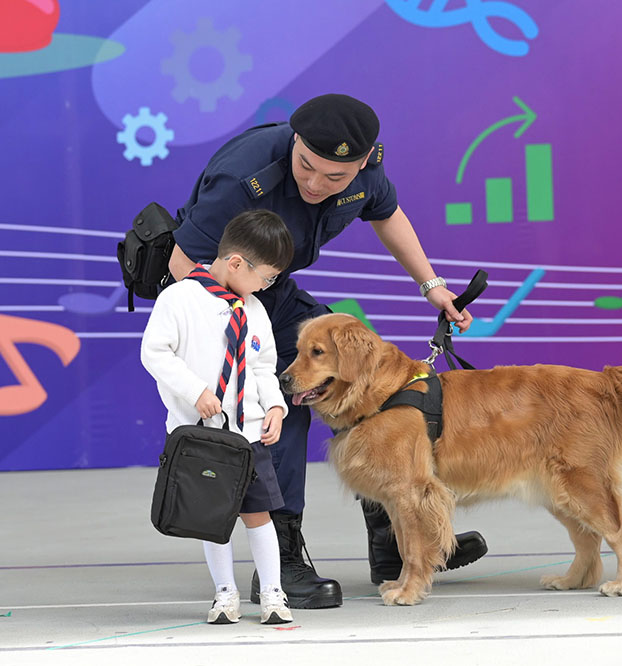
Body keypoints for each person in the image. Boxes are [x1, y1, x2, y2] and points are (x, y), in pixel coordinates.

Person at [166, 93, 489, 608]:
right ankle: (283, 559)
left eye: (334, 177)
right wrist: (240, 342)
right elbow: (184, 266)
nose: (315, 184)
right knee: (290, 397)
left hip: (274, 287)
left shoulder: (366, 175)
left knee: (365, 372)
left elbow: (387, 214)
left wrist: (433, 286)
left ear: (363, 162)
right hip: (214, 294)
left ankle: (395, 542)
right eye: (306, 167)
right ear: (295, 143)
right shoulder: (242, 176)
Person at [141, 210, 296, 624]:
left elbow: (262, 365)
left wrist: (275, 406)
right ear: (235, 264)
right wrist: (196, 391)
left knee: (259, 514)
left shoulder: (253, 309)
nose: (267, 285)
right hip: (200, 436)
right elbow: (155, 352)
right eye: (266, 276)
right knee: (213, 518)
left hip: (247, 435)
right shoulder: (179, 299)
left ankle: (273, 594)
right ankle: (225, 594)